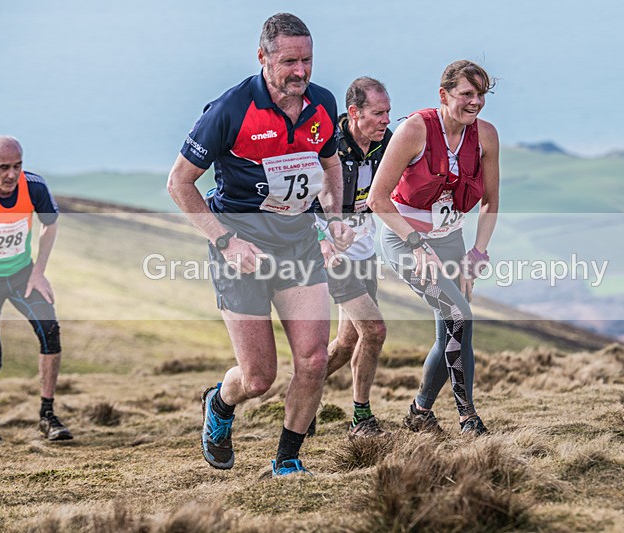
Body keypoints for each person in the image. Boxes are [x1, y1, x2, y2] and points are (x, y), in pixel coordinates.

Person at [167, 13, 353, 476]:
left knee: (312, 360)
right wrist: (226, 242)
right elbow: (179, 184)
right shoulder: (230, 109)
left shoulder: (323, 104)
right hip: (243, 252)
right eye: (290, 61)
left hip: (298, 246)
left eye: (307, 60)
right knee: (259, 378)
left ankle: (287, 460)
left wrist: (334, 218)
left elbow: (330, 166)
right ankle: (220, 403)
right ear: (263, 58)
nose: (301, 72)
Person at [367, 60, 500, 436]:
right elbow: (378, 199)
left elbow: (491, 200)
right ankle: (468, 418)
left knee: (450, 330)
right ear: (444, 95)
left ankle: (420, 412)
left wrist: (477, 253)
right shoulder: (414, 130)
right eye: (466, 94)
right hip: (405, 240)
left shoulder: (486, 136)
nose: (475, 103)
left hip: (451, 240)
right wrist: (416, 245)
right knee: (460, 317)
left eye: (481, 95)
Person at [0, 136, 72, 444]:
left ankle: (47, 416)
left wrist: (39, 272)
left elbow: (50, 225)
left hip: (21, 275)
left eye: (18, 166)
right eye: (4, 167)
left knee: (51, 332)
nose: (12, 175)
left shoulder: (34, 187)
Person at [314, 77, 391, 438]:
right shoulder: (327, 144)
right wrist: (322, 239)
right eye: (378, 113)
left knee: (346, 345)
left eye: (388, 112)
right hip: (331, 255)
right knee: (374, 330)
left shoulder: (386, 143)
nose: (386, 119)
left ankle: (299, 397)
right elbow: (300, 202)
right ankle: (362, 419)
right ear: (354, 113)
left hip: (365, 252)